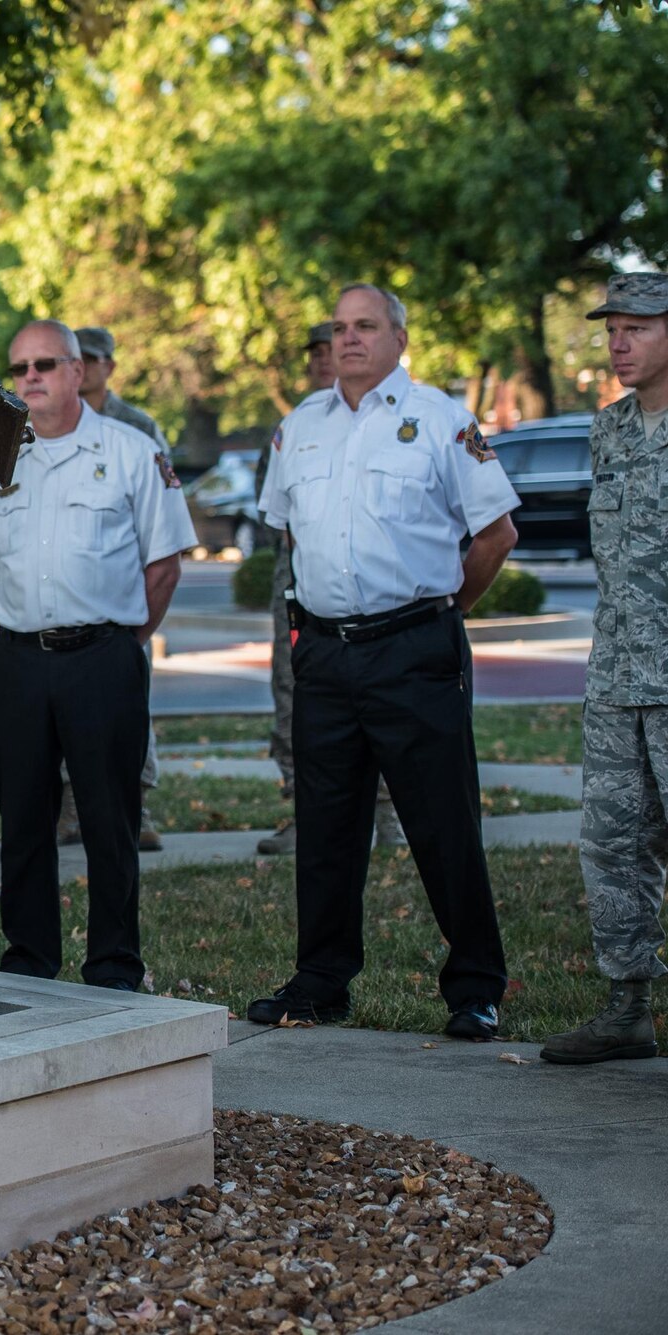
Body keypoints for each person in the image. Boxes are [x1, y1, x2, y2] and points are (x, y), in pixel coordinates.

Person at [250, 283, 518, 1040]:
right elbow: (293, 533)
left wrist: (440, 615)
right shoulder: (298, 426)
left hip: (414, 649)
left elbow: (496, 535)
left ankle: (474, 985)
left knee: (444, 824)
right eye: (338, 327)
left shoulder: (440, 419)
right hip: (327, 655)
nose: (349, 339)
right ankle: (320, 980)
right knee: (326, 827)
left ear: (400, 338)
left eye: (366, 326)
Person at [0, 319, 195, 991]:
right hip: (16, 661)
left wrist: (119, 644)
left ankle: (114, 963)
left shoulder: (131, 451)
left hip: (102, 657)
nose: (31, 378)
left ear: (78, 371)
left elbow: (164, 564)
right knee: (23, 821)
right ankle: (30, 959)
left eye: (45, 364)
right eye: (19, 368)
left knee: (109, 818)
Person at [541, 272, 668, 1064]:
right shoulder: (609, 430)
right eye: (613, 328)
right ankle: (627, 1006)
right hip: (619, 674)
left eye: (639, 328)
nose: (619, 343)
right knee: (612, 843)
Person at [255, 324, 404, 857]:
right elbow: (279, 519)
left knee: (383, 706)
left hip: (375, 601)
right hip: (299, 596)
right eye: (316, 352)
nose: (326, 359)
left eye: (332, 348)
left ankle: (389, 818)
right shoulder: (294, 427)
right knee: (296, 703)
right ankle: (305, 814)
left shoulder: (402, 421)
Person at [65, 325, 169, 852]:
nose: (84, 368)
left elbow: (163, 519)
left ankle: (138, 802)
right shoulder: (40, 425)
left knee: (128, 706)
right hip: (64, 590)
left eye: (93, 359)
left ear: (108, 366)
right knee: (61, 707)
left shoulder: (138, 426)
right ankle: (69, 810)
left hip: (122, 592)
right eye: (74, 358)